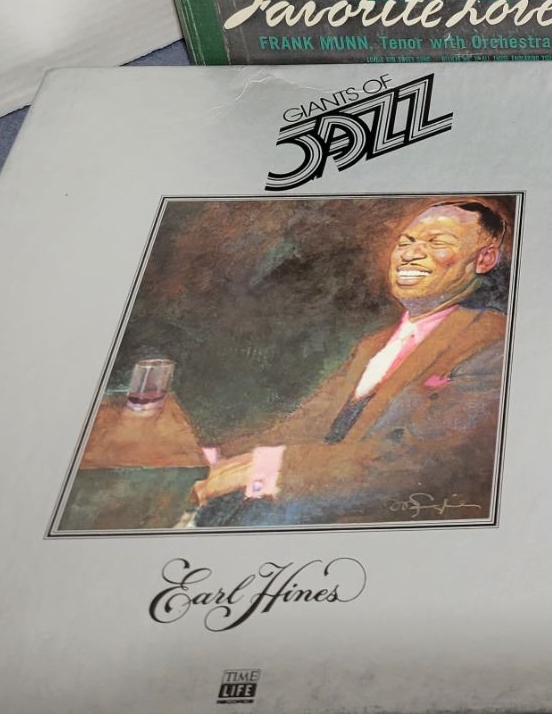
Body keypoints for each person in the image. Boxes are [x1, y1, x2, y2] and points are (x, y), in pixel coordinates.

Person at [190, 200, 511, 527]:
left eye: (436, 242)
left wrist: (266, 469)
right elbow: (307, 422)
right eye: (406, 242)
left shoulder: (495, 341)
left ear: (484, 259)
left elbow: (425, 461)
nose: (410, 254)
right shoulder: (373, 344)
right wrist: (208, 457)